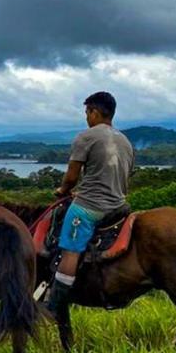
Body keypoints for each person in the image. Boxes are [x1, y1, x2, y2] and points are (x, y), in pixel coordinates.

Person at [45, 91, 135, 316]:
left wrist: (63, 191)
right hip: (120, 205)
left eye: (87, 112)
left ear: (95, 112)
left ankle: (54, 304)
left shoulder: (85, 137)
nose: (86, 117)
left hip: (90, 207)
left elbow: (72, 177)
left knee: (70, 250)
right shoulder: (125, 140)